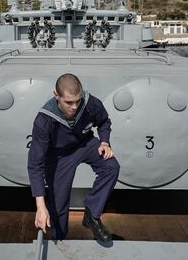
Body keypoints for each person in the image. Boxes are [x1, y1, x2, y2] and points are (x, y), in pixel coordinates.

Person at [27, 73, 120, 241]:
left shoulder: (90, 103)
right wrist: (40, 207)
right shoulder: (44, 121)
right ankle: (59, 239)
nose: (75, 106)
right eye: (69, 102)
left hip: (85, 144)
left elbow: (104, 122)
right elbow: (35, 165)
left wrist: (105, 142)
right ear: (56, 95)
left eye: (78, 100)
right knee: (57, 205)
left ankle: (91, 214)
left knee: (111, 167)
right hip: (59, 156)